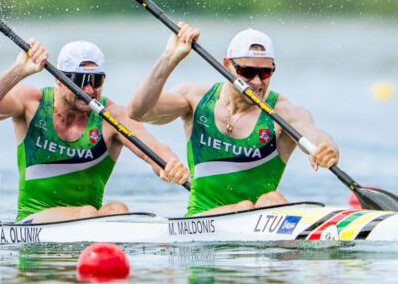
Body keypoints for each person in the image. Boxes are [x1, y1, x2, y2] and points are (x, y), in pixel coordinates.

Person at [0, 39, 189, 223]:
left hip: (88, 223)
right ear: (59, 79)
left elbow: (156, 150)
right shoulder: (31, 104)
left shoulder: (111, 116)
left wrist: (169, 166)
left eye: (97, 80)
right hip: (32, 221)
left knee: (118, 210)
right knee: (88, 213)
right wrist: (17, 71)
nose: (90, 90)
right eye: (81, 81)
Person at [127, 25, 339, 217]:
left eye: (265, 72)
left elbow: (311, 132)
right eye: (247, 72)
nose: (257, 82)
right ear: (227, 65)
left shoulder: (283, 111)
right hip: (201, 222)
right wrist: (169, 58)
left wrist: (325, 147)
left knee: (270, 199)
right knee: (247, 206)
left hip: (261, 221)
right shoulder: (196, 99)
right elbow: (138, 112)